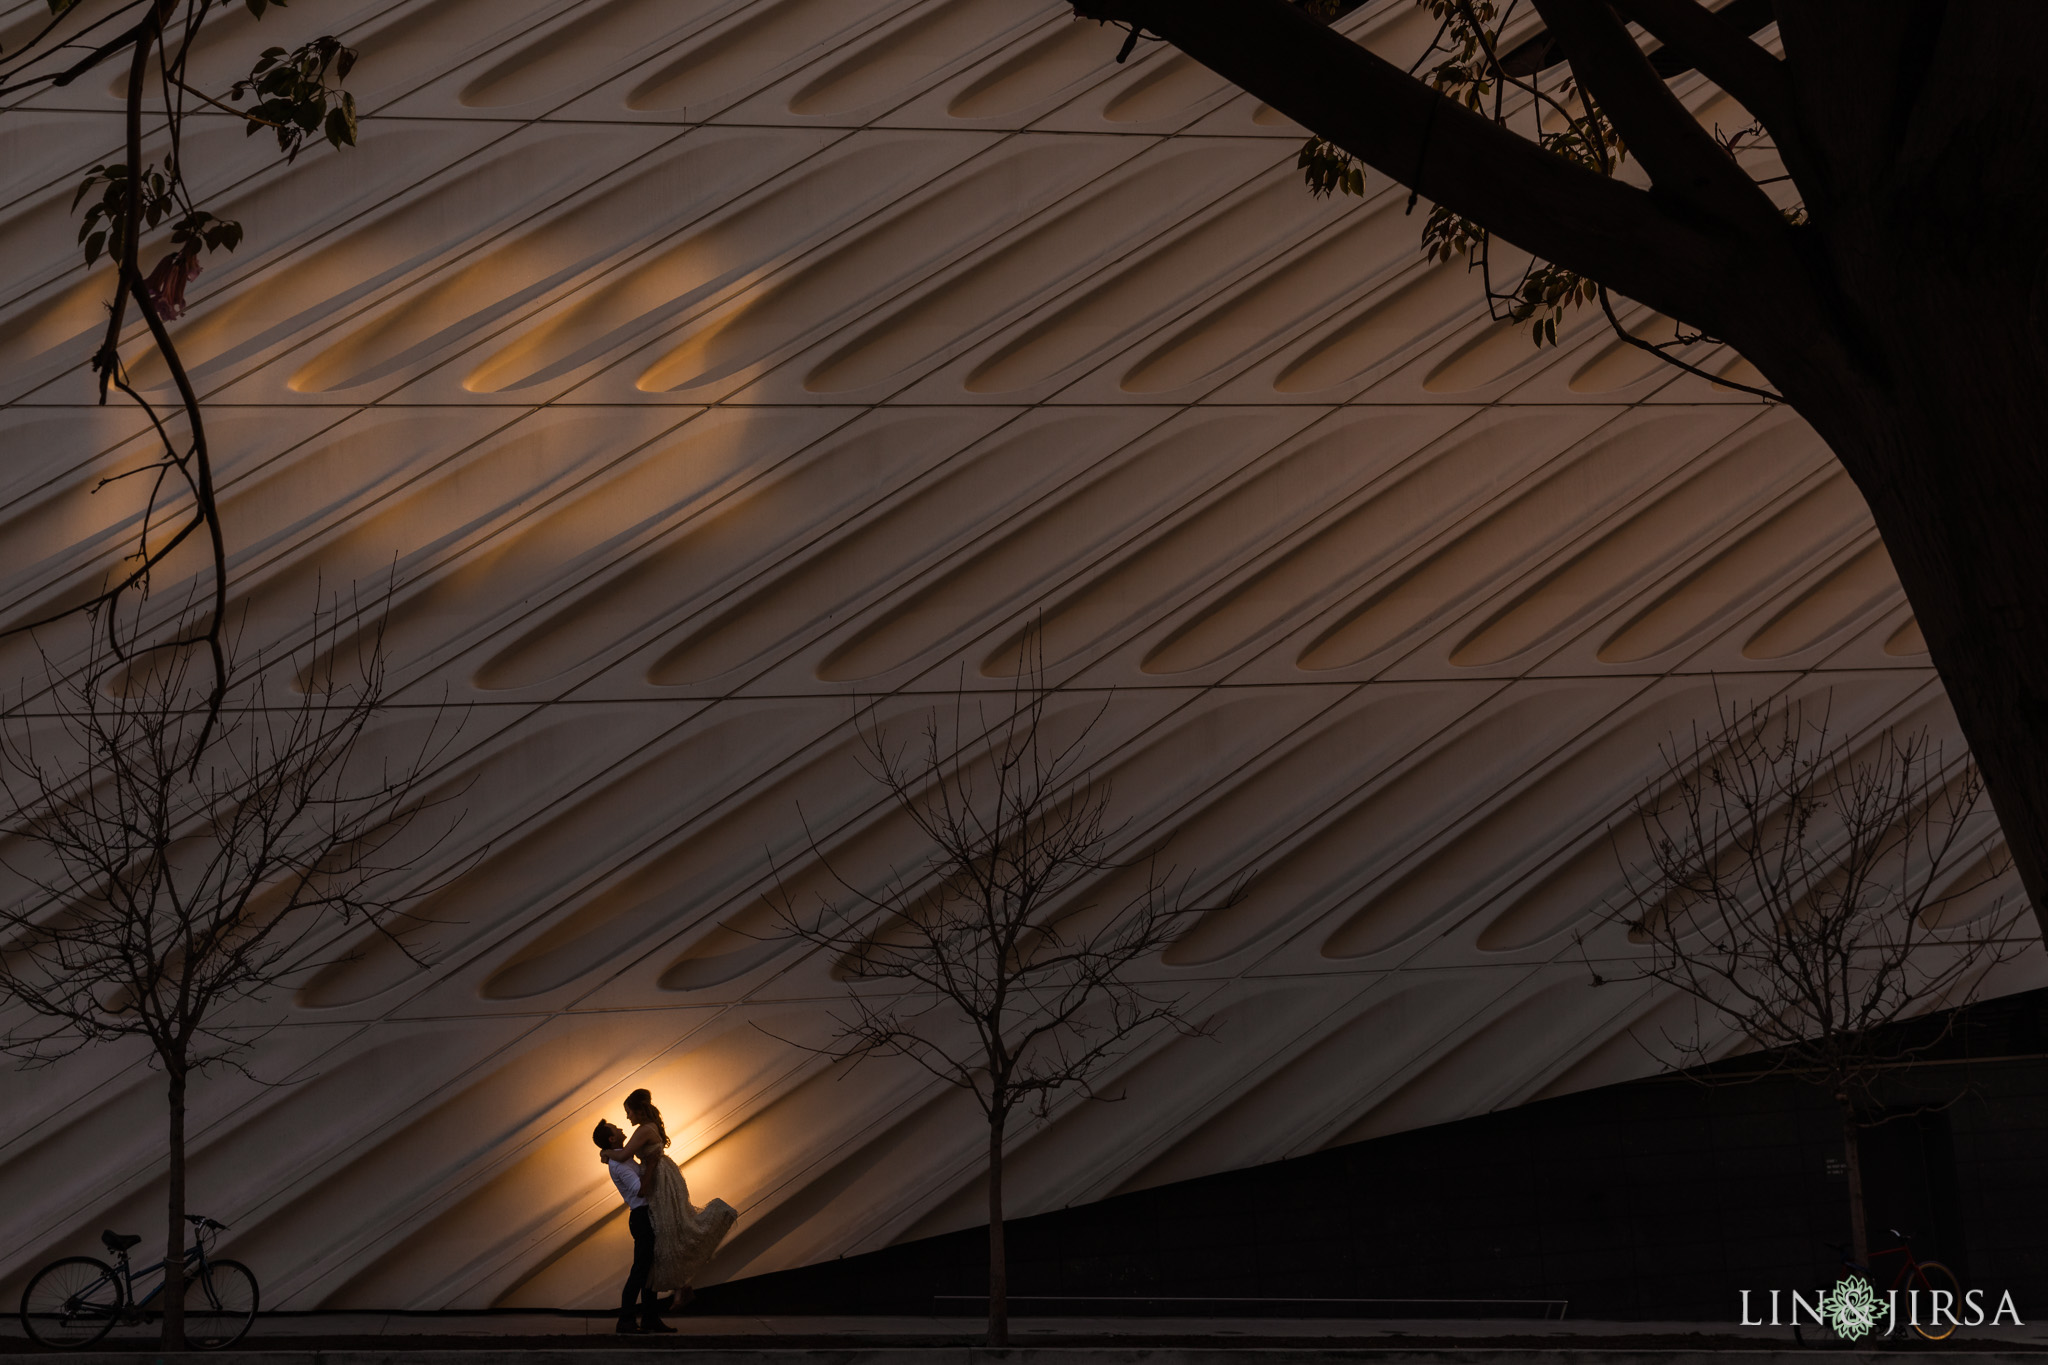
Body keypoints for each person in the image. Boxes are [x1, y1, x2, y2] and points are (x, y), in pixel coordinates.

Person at [601, 1089, 738, 1308]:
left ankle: (680, 1288)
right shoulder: (648, 1127)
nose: (627, 1118)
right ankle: (682, 1287)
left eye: (628, 1112)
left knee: (669, 1232)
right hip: (662, 1176)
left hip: (659, 1179)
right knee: (668, 1233)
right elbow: (626, 1156)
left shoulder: (643, 1130)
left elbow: (624, 1154)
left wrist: (605, 1153)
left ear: (638, 1111)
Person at [593, 1119, 673, 1334]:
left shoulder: (622, 1157)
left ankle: (649, 1319)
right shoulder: (618, 1163)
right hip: (641, 1217)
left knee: (647, 1271)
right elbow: (641, 1191)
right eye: (615, 1128)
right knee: (640, 1271)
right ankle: (626, 1320)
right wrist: (654, 1164)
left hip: (645, 1216)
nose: (620, 1127)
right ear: (612, 1139)